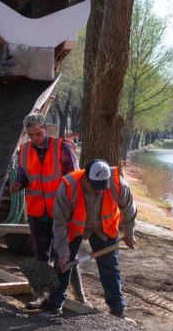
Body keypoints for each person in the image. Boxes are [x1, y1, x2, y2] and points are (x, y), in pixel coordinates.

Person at [49, 159, 137, 317]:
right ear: (85, 179)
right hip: (74, 227)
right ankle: (55, 304)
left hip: (104, 227)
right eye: (95, 187)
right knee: (64, 263)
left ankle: (117, 309)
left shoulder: (117, 184)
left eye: (102, 188)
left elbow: (129, 208)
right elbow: (59, 222)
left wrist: (129, 234)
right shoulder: (69, 187)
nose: (99, 191)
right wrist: (62, 252)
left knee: (110, 266)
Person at [10, 113, 79, 308]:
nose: (35, 139)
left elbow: (72, 179)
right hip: (37, 212)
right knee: (40, 256)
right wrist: (18, 183)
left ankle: (56, 298)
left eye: (38, 134)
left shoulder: (62, 147)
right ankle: (39, 294)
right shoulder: (24, 151)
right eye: (30, 135)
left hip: (60, 212)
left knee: (62, 257)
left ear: (45, 129)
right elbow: (24, 175)